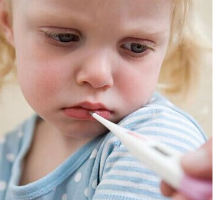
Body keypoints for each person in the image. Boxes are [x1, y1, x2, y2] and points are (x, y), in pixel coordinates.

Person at [0, 0, 209, 199]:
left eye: (136, 47)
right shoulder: (10, 149)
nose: (98, 76)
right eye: (64, 37)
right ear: (8, 22)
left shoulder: (163, 137)